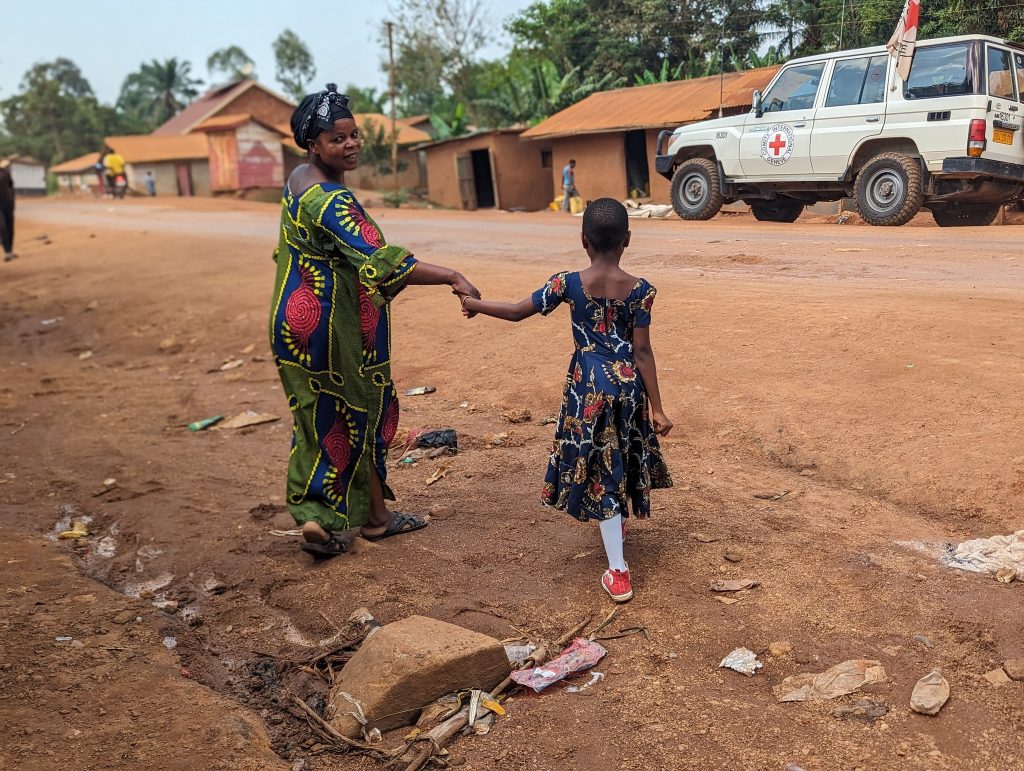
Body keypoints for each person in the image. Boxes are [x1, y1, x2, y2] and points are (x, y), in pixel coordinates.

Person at [272, 83, 481, 558]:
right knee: (362, 411)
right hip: (332, 325)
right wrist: (452, 275)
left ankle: (314, 516)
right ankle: (374, 520)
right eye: (337, 139)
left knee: (317, 415)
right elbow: (384, 260)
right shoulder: (328, 198)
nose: (351, 145)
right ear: (313, 144)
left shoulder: (299, 179)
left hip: (293, 317)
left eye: (354, 135)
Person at [461, 198, 673, 602]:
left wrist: (472, 303)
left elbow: (515, 311)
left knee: (601, 469)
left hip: (588, 387)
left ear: (583, 240)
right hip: (627, 385)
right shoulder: (642, 290)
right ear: (627, 239)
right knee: (619, 456)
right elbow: (642, 352)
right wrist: (658, 407)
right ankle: (616, 525)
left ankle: (619, 571)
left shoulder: (567, 284)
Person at [0, 160, 15, 262]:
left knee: (9, 227)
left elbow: (11, 186)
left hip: (7, 204)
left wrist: (12, 201)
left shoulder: (5, 173)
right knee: (2, 227)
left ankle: (10, 251)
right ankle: (7, 251)